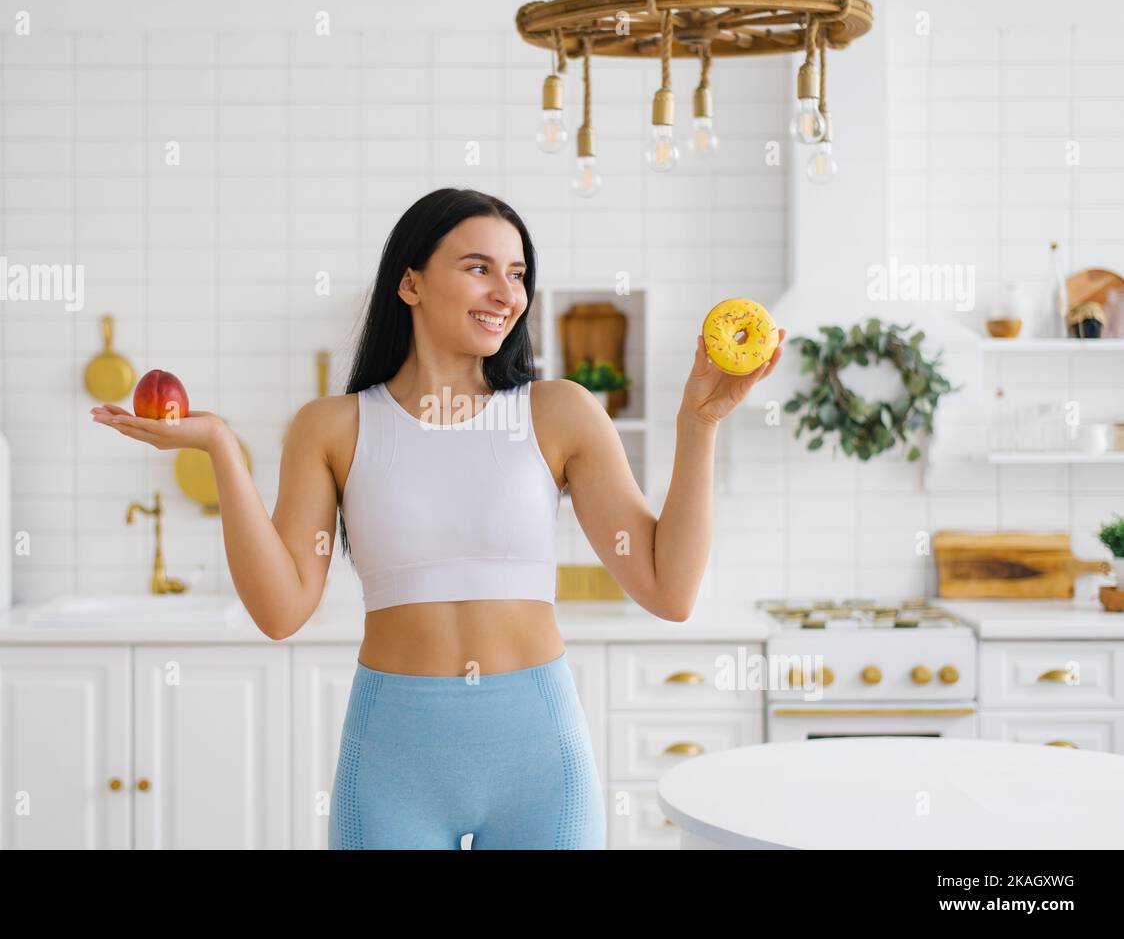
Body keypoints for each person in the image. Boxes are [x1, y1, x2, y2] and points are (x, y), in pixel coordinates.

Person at [92, 187, 784, 849]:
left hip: (539, 760)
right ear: (411, 282)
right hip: (393, 763)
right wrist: (220, 447)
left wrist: (699, 425)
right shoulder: (332, 426)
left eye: (516, 273)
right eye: (478, 267)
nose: (506, 292)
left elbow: (670, 589)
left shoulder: (559, 412)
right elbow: (281, 610)